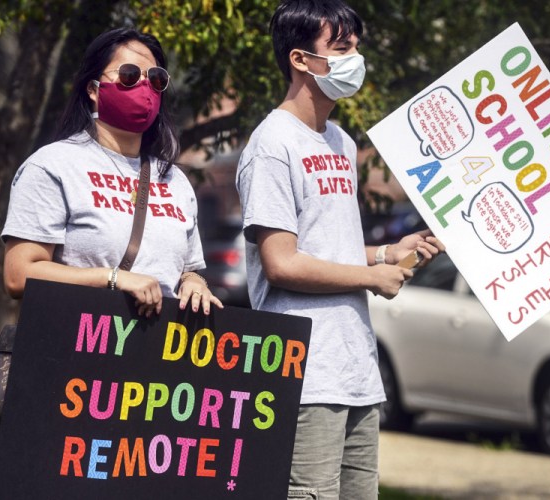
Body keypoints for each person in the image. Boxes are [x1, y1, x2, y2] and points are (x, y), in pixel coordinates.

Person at [235, 1, 445, 498]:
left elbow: (327, 245)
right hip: (304, 375)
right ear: (301, 60)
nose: (356, 59)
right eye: (342, 47)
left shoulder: (340, 143)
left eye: (356, 46)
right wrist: (372, 278)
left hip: (355, 369)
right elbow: (281, 262)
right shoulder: (272, 145)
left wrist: (385, 254)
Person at [2, 27, 221, 316]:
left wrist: (196, 284)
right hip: (75, 350)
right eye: (129, 75)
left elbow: (187, 271)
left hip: (152, 356)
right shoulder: (53, 165)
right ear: (93, 89)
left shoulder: (174, 179)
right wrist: (113, 278)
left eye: (156, 79)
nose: (145, 88)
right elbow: (19, 275)